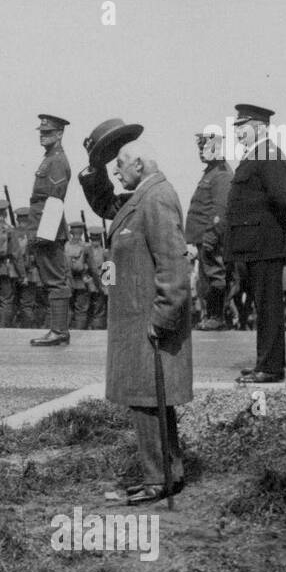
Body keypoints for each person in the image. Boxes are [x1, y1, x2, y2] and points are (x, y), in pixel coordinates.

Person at [78, 119, 193, 504]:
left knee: (148, 400)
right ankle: (166, 474)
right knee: (146, 401)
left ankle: (158, 479)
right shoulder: (140, 196)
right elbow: (106, 204)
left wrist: (162, 318)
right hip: (137, 318)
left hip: (149, 320)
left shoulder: (156, 198)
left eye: (119, 166)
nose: (115, 171)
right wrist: (93, 169)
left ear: (139, 165)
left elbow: (174, 267)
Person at [225, 103, 286, 383]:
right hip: (255, 244)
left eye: (242, 129)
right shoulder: (256, 156)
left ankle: (270, 367)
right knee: (263, 306)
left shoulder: (269, 156)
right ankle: (264, 363)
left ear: (260, 127)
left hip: (266, 244)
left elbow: (281, 199)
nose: (238, 134)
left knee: (268, 308)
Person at [25, 114, 73, 346]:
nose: (42, 136)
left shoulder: (56, 160)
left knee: (55, 279)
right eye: (41, 133)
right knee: (52, 278)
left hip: (48, 226)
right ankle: (58, 330)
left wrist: (45, 233)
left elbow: (55, 198)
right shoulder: (50, 158)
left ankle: (59, 331)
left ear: (60, 134)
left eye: (48, 133)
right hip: (43, 224)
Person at [185, 131, 233, 330]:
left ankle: (217, 316)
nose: (201, 152)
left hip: (210, 236)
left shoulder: (221, 173)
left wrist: (211, 236)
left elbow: (220, 209)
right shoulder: (211, 172)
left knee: (215, 274)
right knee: (207, 277)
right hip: (203, 236)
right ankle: (212, 316)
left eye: (205, 148)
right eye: (200, 148)